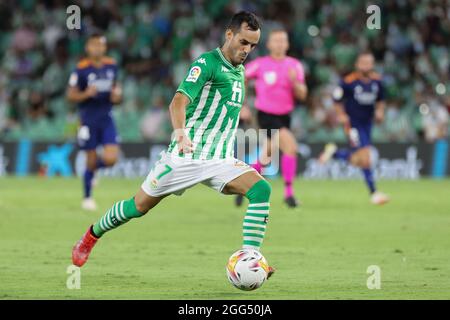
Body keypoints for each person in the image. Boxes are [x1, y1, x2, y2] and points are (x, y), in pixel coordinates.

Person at [71, 11, 275, 278]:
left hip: (220, 159)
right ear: (229, 34)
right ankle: (91, 235)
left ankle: (250, 259)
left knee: (261, 190)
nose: (247, 49)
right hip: (184, 157)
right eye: (244, 42)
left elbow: (223, 105)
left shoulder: (239, 71)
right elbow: (178, 101)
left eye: (253, 45)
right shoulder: (206, 63)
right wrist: (180, 132)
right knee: (138, 206)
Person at [236, 28, 307, 208]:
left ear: (288, 44)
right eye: (276, 41)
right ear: (268, 44)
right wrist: (242, 105)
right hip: (267, 115)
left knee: (266, 156)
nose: (279, 44)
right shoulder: (260, 64)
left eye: (283, 41)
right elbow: (240, 76)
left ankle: (241, 185)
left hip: (285, 116)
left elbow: (303, 94)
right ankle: (289, 194)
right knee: (290, 147)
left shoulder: (294, 66)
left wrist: (295, 83)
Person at [319, 51, 390, 205]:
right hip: (353, 123)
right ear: (357, 64)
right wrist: (341, 114)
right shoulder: (348, 82)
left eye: (369, 62)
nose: (366, 65)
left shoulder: (377, 81)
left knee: (360, 158)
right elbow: (337, 100)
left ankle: (336, 153)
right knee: (366, 157)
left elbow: (381, 100)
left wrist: (380, 111)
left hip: (368, 123)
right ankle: (374, 192)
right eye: (363, 62)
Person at [66, 34, 122, 211]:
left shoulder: (112, 66)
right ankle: (87, 197)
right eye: (94, 45)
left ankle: (93, 171)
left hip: (106, 118)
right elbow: (71, 95)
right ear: (88, 47)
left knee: (112, 159)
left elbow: (116, 92)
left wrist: (117, 97)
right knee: (90, 158)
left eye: (101, 44)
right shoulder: (81, 69)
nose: (97, 48)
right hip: (87, 120)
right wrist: (86, 94)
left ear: (105, 47)